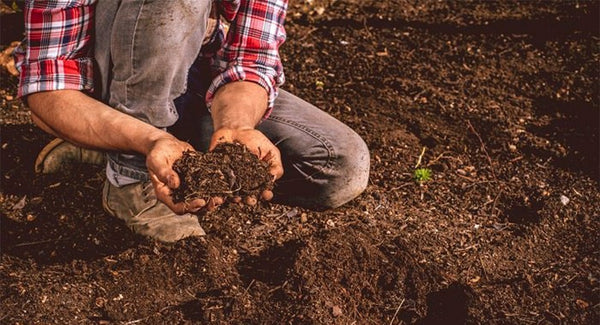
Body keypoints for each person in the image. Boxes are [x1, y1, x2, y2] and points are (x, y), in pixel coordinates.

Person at [16, 0, 370, 242]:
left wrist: (236, 126)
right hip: (101, 84)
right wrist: (147, 140)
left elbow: (251, 60)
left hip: (191, 78)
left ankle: (127, 147)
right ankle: (130, 177)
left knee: (336, 166)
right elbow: (49, 91)